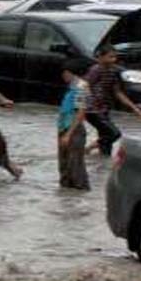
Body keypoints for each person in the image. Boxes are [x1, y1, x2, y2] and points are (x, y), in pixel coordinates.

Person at [85, 44, 141, 157]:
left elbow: (118, 93)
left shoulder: (113, 71)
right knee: (114, 134)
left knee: (106, 149)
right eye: (110, 57)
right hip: (92, 110)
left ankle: (99, 168)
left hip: (104, 109)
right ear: (101, 57)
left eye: (114, 57)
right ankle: (89, 148)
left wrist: (134, 108)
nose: (113, 60)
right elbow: (84, 86)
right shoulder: (95, 70)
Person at [58, 59, 91, 190]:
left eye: (64, 73)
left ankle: (80, 195)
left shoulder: (81, 87)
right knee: (64, 167)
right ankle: (67, 200)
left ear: (70, 73)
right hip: (65, 128)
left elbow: (81, 113)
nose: (63, 76)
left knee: (76, 167)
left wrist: (68, 134)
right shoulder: (72, 87)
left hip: (73, 130)